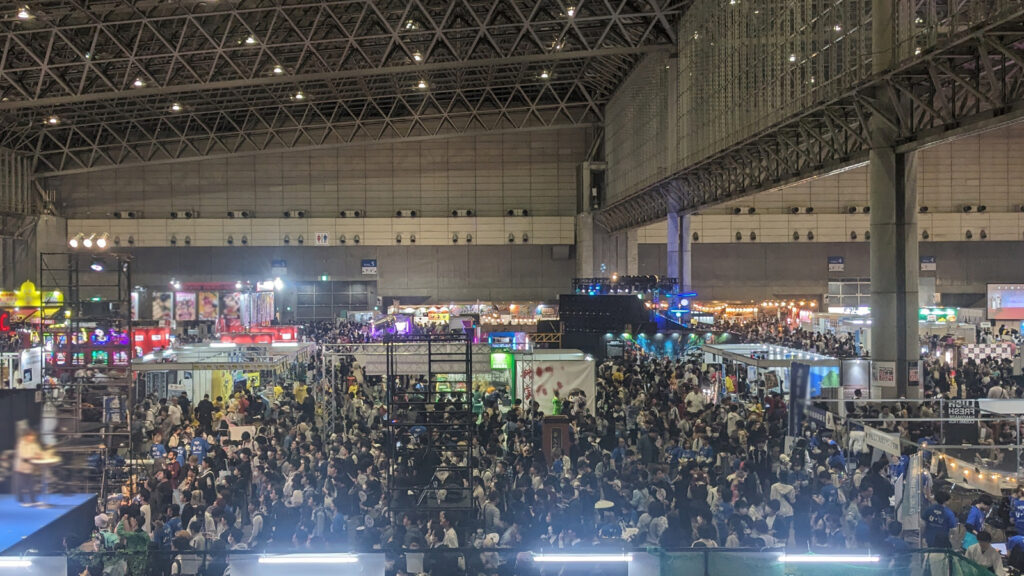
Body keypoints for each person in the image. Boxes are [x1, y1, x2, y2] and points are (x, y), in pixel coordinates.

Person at [13, 429, 43, 506]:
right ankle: (23, 501)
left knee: (31, 485)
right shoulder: (21, 444)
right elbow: (23, 455)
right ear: (26, 436)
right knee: (21, 485)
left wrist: (40, 455)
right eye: (31, 436)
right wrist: (34, 456)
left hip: (30, 468)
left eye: (33, 436)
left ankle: (33, 500)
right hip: (21, 468)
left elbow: (39, 453)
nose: (32, 438)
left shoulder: (34, 444)